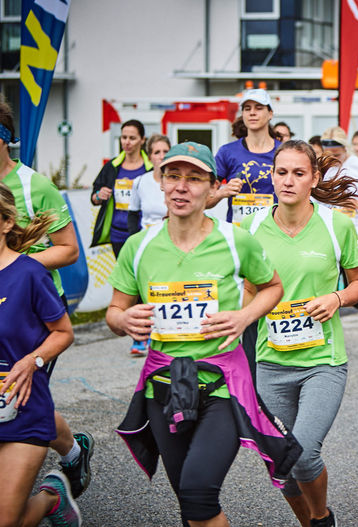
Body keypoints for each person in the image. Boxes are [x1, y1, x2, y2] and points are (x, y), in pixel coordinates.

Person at [108, 142, 300, 527]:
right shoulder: (138, 246)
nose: (182, 187)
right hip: (163, 386)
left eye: (194, 179)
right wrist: (125, 321)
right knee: (188, 501)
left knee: (198, 491)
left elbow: (273, 287)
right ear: (160, 183)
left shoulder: (235, 240)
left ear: (212, 188)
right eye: (173, 176)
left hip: (222, 385)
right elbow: (115, 309)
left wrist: (244, 317)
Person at [242, 140, 358, 527]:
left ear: (314, 178)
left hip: (322, 362)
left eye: (299, 173)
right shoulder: (250, 229)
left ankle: (321, 518)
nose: (289, 180)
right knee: (281, 462)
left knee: (303, 452)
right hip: (270, 361)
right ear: (272, 176)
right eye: (282, 172)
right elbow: (248, 293)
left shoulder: (336, 226)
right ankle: (310, 522)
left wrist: (336, 298)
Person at [0, 102, 93, 500]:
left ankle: (70, 455)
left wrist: (14, 268)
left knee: (22, 394)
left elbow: (69, 249)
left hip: (32, 309)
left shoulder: (34, 185)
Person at [0, 182, 81, 527]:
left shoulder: (30, 273)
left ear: (5, 223)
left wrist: (30, 361)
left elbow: (63, 333)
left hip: (20, 408)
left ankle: (51, 497)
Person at [321, 126, 358, 338]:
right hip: (331, 234)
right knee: (328, 288)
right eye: (328, 153)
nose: (333, 157)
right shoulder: (322, 170)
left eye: (337, 153)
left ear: (345, 148)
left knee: (355, 291)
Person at [210, 88, 282, 226]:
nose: (252, 113)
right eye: (247, 108)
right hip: (239, 233)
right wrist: (222, 192)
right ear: (242, 114)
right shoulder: (227, 152)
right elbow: (204, 200)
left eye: (259, 108)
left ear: (270, 114)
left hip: (275, 231)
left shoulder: (285, 151)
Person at [91, 119, 153, 255]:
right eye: (124, 137)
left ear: (142, 140)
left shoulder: (150, 168)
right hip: (117, 233)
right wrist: (98, 195)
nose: (127, 142)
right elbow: (94, 197)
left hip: (143, 231)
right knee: (124, 274)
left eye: (132, 138)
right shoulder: (112, 166)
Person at [128, 134, 171, 234]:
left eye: (166, 151)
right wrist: (135, 239)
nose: (162, 156)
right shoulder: (139, 182)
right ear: (149, 158)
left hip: (171, 240)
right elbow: (132, 215)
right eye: (157, 152)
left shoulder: (179, 183)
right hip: (147, 239)